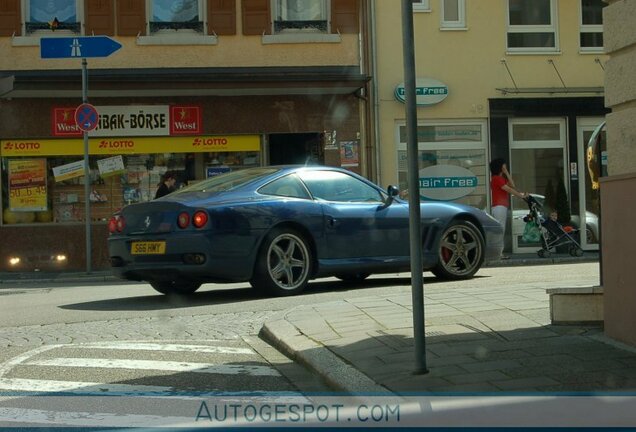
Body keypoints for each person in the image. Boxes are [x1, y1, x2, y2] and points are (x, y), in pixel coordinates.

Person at [490, 158, 527, 258]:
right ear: (500, 166)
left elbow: (512, 185)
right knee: (500, 230)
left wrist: (506, 172)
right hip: (499, 207)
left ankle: (498, 253)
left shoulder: (500, 179)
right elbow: (509, 189)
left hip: (501, 206)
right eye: (504, 165)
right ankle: (498, 253)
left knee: (501, 229)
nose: (505, 166)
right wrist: (521, 196)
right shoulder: (496, 179)